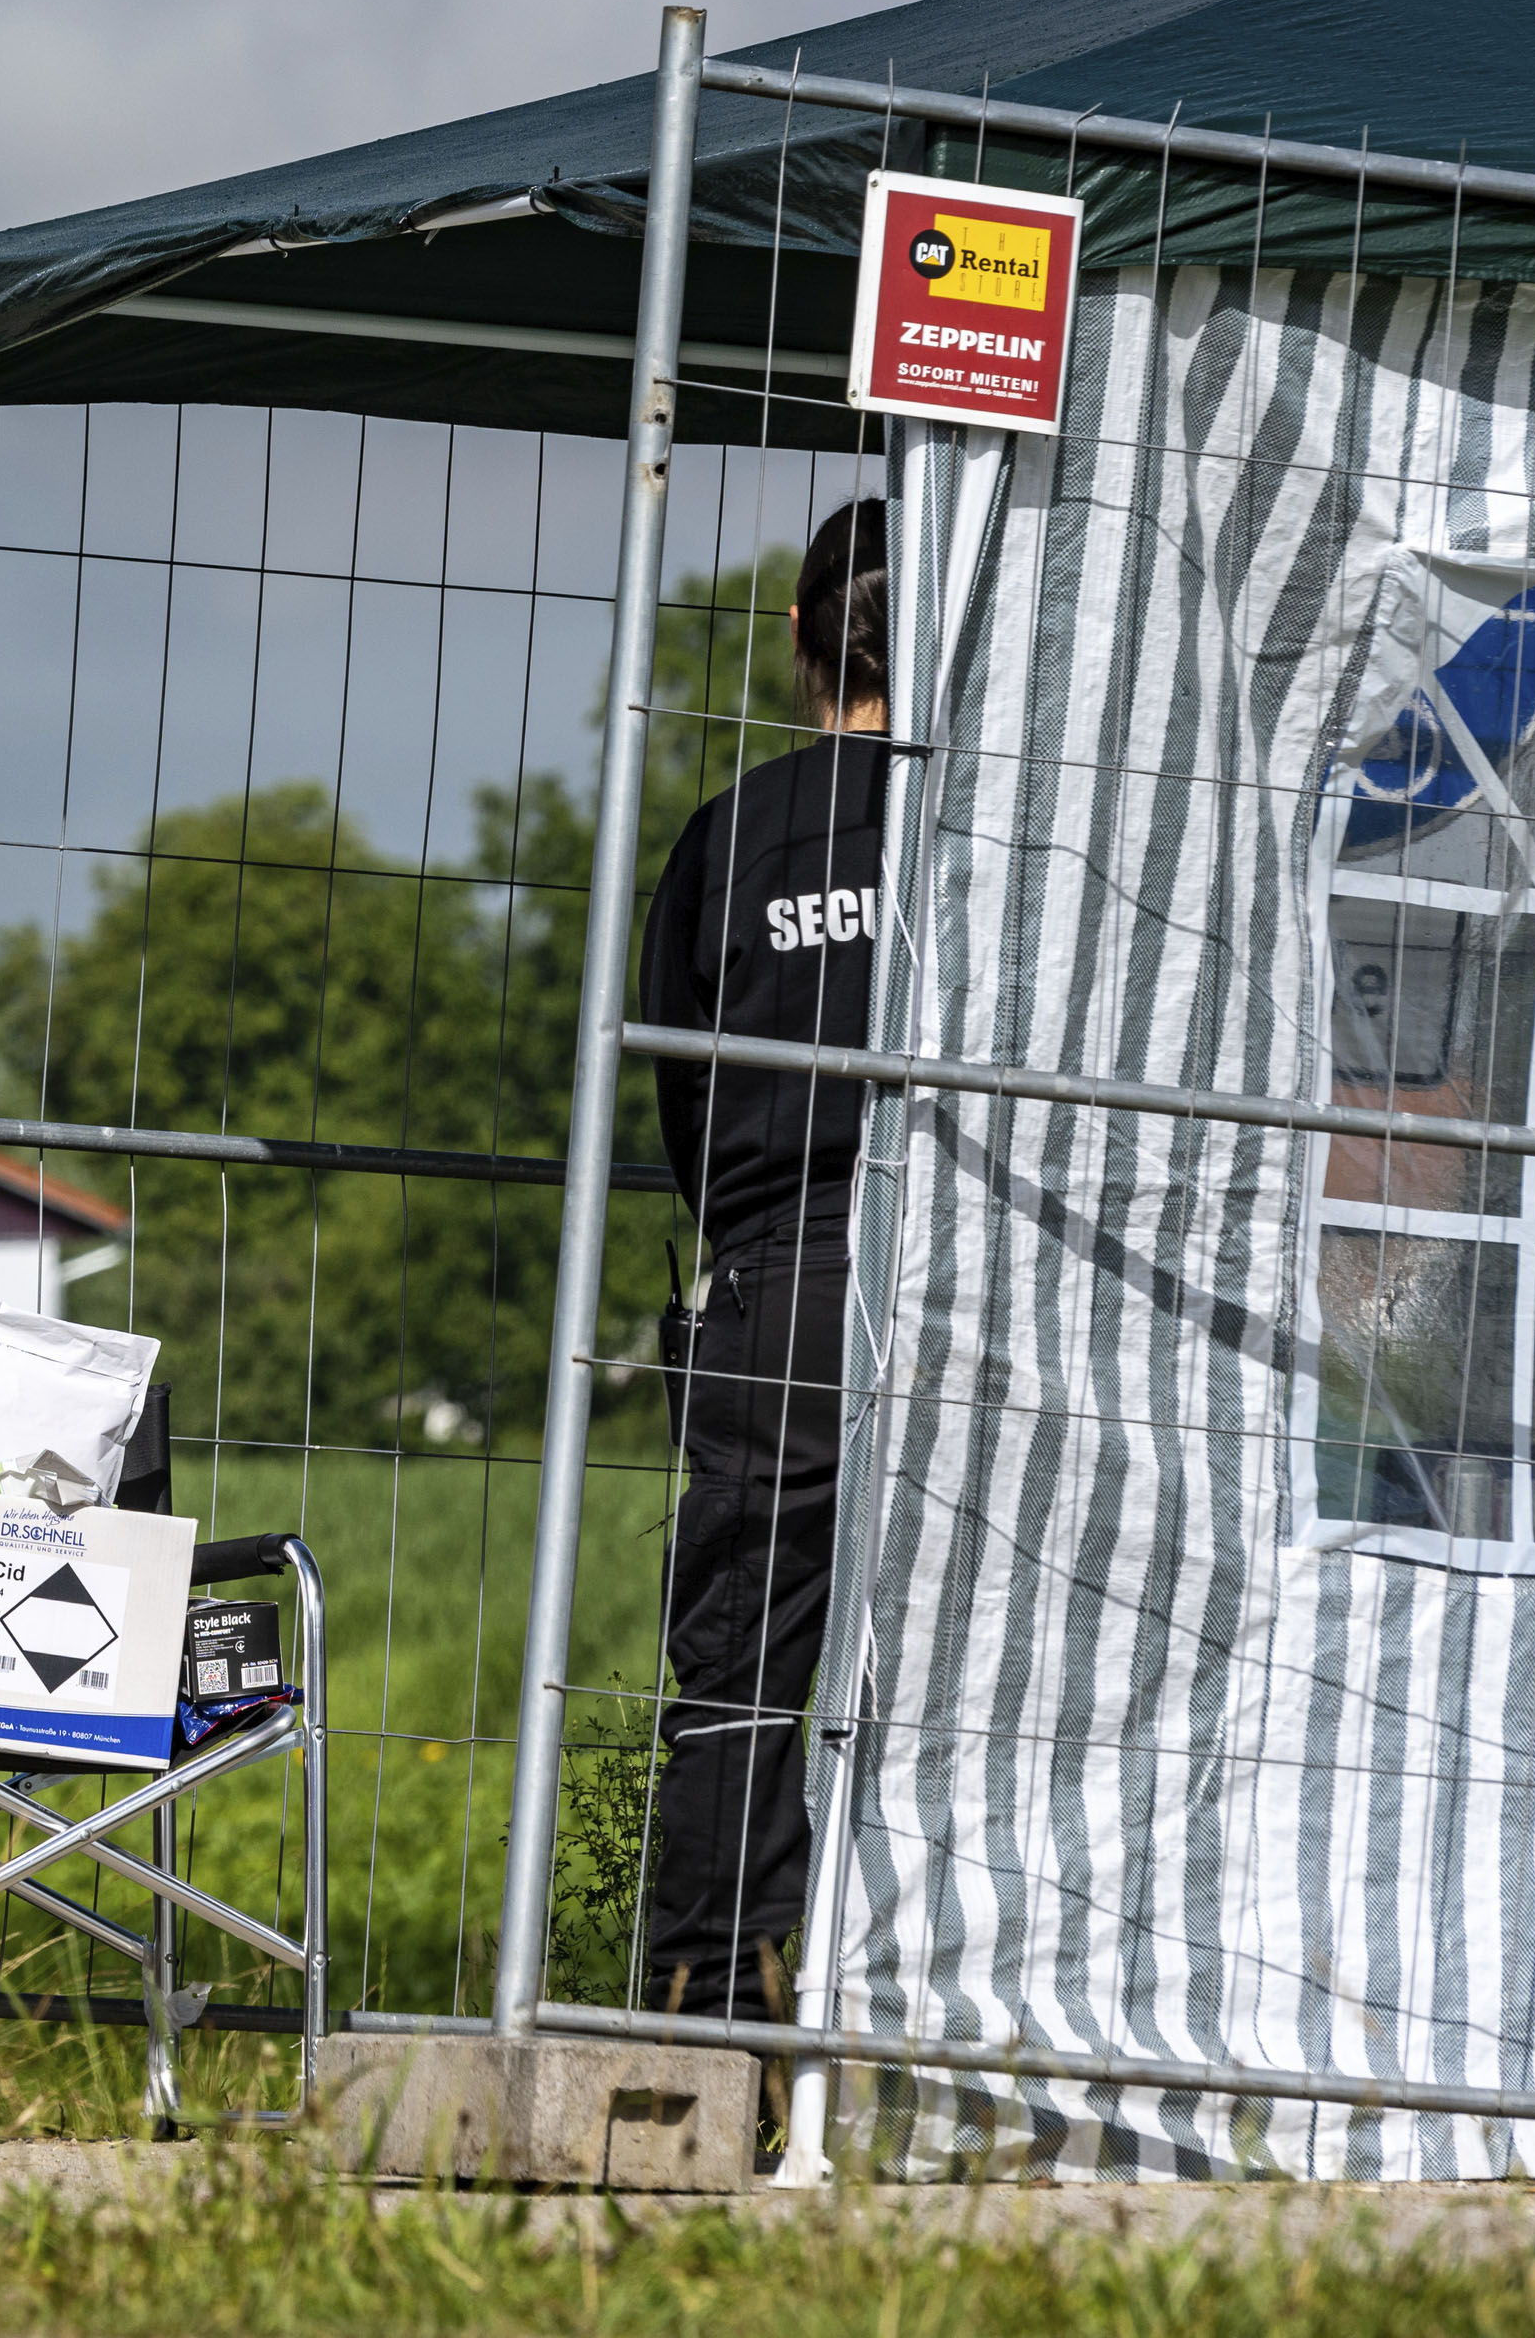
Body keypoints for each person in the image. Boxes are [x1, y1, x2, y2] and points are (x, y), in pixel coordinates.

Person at [633, 496, 889, 2023]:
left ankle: (714, 2001)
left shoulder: (730, 835)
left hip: (778, 1279)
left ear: (797, 637)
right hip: (964, 1272)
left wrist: (755, 1234)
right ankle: (921, 2017)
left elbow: (679, 1081)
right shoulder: (980, 831)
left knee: (739, 1667)